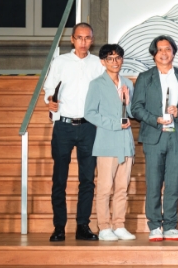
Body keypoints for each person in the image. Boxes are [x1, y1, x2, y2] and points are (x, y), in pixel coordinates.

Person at [43, 22, 105, 242]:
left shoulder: (98, 64)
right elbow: (49, 88)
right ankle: (59, 227)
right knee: (59, 178)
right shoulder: (60, 62)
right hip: (64, 126)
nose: (83, 42)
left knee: (87, 179)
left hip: (89, 127)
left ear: (92, 40)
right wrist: (50, 100)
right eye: (79, 37)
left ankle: (82, 226)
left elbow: (104, 91)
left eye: (87, 38)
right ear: (72, 39)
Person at [131, 35, 178, 242]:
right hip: (154, 136)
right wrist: (155, 119)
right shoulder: (145, 77)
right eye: (160, 49)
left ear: (174, 52)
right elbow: (136, 108)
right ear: (153, 53)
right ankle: (155, 225)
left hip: (177, 136)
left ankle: (171, 226)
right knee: (154, 183)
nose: (164, 53)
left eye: (168, 49)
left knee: (173, 183)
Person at [83, 44, 136, 241]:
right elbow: (89, 113)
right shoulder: (97, 84)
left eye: (118, 58)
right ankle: (104, 227)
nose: (115, 62)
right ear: (103, 62)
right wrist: (114, 124)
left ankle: (119, 225)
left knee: (122, 189)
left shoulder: (127, 83)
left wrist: (127, 101)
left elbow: (131, 113)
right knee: (105, 189)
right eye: (110, 58)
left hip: (125, 143)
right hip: (106, 142)